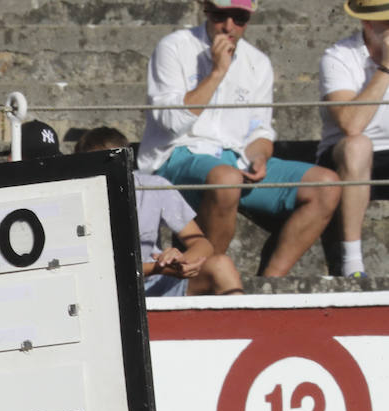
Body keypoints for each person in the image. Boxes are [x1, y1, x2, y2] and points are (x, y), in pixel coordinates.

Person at [137, 0, 340, 277]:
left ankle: (270, 284)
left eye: (240, 18)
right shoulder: (174, 47)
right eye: (221, 15)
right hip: (177, 155)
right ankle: (208, 278)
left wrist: (259, 156)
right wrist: (217, 73)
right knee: (226, 178)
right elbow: (172, 122)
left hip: (235, 160)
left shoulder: (258, 62)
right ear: (206, 11)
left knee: (327, 185)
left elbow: (259, 130)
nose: (229, 26)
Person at [77, 126, 243, 295]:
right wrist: (160, 268)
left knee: (221, 266)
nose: (109, 173)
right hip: (105, 291)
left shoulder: (152, 186)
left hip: (153, 281)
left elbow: (202, 244)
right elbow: (102, 272)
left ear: (128, 163)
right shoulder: (77, 198)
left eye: (115, 163)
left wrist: (180, 261)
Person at [318, 0, 389, 277]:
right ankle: (352, 264)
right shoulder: (338, 57)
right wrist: (385, 68)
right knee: (359, 145)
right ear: (367, 24)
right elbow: (351, 125)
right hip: (343, 156)